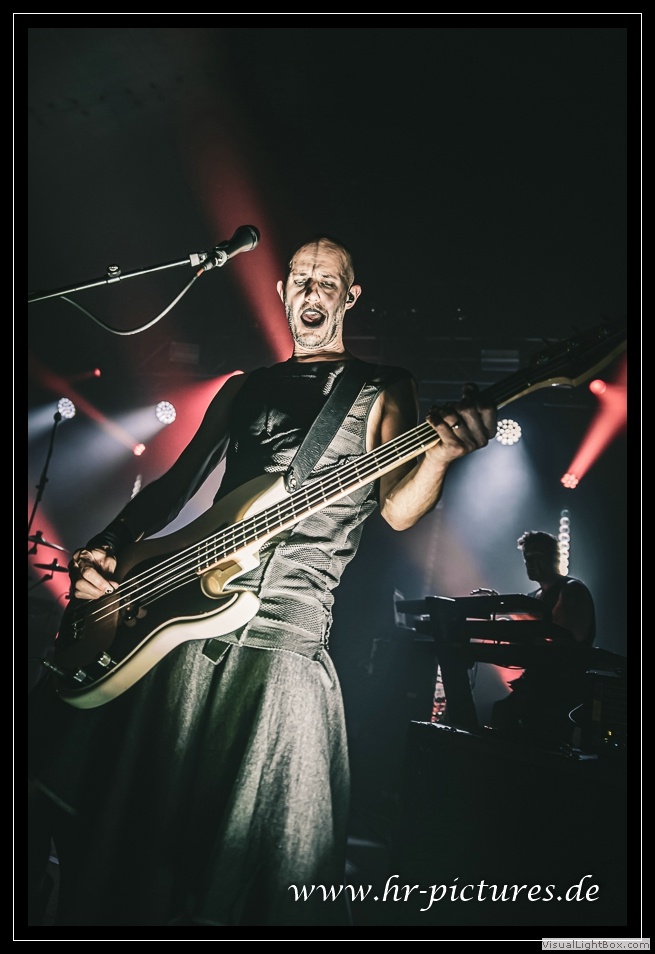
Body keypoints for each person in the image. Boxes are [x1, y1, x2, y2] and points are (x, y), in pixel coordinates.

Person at [27, 234, 497, 927]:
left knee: (258, 860)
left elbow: (398, 509)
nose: (312, 291)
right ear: (281, 293)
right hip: (184, 621)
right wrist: (108, 545)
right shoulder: (243, 387)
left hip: (286, 638)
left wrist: (441, 457)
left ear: (349, 297)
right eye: (300, 278)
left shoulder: (382, 385)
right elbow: (175, 486)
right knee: (139, 841)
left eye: (327, 281)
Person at [490, 529, 596, 745]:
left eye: (535, 557)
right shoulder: (533, 598)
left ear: (552, 557)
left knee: (538, 733)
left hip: (562, 685)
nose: (529, 563)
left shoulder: (572, 589)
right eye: (526, 558)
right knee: (502, 714)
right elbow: (528, 639)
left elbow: (573, 637)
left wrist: (514, 618)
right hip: (535, 682)